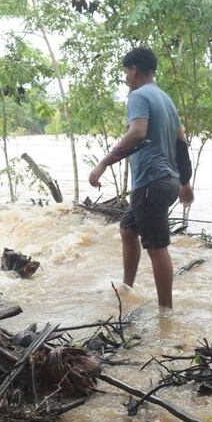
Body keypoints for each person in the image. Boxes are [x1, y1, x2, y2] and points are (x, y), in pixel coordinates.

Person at [87, 47, 194, 310]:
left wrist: (102, 163)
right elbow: (181, 142)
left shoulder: (139, 95)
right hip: (168, 180)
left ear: (134, 69)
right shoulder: (165, 98)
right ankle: (127, 289)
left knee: (157, 247)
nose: (125, 78)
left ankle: (165, 313)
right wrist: (185, 181)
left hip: (151, 181)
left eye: (125, 72)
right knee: (127, 229)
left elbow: (136, 133)